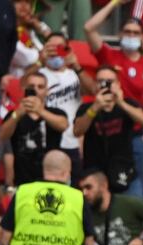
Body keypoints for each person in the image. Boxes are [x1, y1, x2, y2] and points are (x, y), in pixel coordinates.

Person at [85, 2, 143, 199]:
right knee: (103, 186)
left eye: (136, 33)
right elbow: (89, 28)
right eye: (127, 31)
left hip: (134, 133)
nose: (131, 36)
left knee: (134, 187)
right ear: (119, 35)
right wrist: (114, 3)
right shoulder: (109, 55)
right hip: (107, 129)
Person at [74, 66, 143, 194]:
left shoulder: (128, 104)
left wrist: (121, 103)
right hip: (96, 173)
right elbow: (77, 131)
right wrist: (95, 107)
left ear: (118, 84)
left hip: (124, 171)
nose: (105, 85)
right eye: (101, 81)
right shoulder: (86, 108)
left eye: (110, 81)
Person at [39, 32, 95, 181]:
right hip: (43, 141)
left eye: (60, 48)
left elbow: (93, 90)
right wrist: (39, 61)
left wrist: (76, 65)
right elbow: (22, 86)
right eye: (51, 48)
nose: (55, 52)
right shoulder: (38, 74)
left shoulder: (74, 74)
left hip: (71, 142)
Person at [0, 71, 68, 186]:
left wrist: (40, 111)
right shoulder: (14, 114)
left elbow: (63, 125)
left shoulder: (55, 112)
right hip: (22, 180)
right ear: (23, 89)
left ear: (47, 91)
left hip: (52, 179)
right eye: (31, 86)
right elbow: (1, 136)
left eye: (40, 87)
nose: (36, 90)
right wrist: (18, 114)